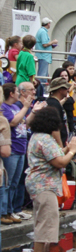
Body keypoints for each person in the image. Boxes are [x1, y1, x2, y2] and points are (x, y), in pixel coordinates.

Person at [26, 105, 76, 252]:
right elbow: (59, 162)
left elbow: (55, 155)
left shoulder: (37, 137)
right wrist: (71, 152)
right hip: (44, 184)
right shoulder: (45, 139)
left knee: (43, 219)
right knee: (45, 220)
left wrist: (69, 148)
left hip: (38, 182)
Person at [2, 83, 32, 224]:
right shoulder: (4, 108)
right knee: (7, 183)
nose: (19, 94)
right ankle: (3, 212)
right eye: (16, 91)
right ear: (11, 94)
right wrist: (26, 107)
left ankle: (10, 210)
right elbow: (13, 122)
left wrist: (33, 111)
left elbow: (25, 123)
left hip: (21, 148)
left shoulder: (15, 107)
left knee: (14, 183)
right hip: (12, 149)